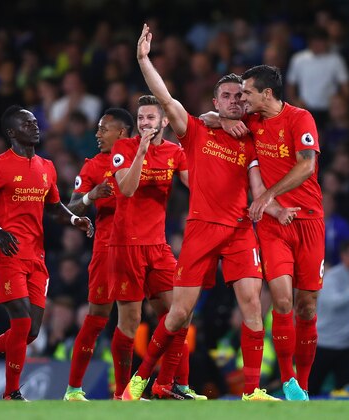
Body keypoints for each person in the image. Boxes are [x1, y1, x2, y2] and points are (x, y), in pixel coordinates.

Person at [123, 24, 295, 402]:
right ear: (215, 101)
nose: (235, 101)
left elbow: (257, 179)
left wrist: (271, 206)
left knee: (253, 304)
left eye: (239, 96)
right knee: (179, 315)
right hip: (201, 228)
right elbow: (166, 100)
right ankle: (140, 380)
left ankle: (252, 391)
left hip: (238, 231)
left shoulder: (252, 136)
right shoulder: (196, 129)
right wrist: (143, 59)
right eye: (227, 96)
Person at [202, 64, 324, 401]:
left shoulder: (300, 119)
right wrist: (226, 119)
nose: (242, 99)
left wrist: (268, 194)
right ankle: (289, 383)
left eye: (247, 93)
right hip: (273, 225)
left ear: (266, 94)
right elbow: (205, 117)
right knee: (282, 300)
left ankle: (305, 383)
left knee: (307, 308)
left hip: (309, 220)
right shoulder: (251, 122)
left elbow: (306, 165)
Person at [0, 105, 93, 401]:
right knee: (21, 322)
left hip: (36, 256)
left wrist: (74, 219)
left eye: (35, 122)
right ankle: (12, 393)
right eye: (27, 123)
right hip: (5, 252)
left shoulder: (46, 167)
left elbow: (55, 207)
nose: (35, 126)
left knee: (30, 331)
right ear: (12, 132)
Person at [107, 86, 198, 399]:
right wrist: (142, 153)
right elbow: (127, 189)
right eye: (141, 117)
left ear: (164, 123)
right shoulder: (123, 146)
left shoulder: (175, 153)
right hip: (125, 246)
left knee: (180, 314)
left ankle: (167, 384)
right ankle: (123, 393)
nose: (144, 122)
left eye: (150, 118)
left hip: (157, 246)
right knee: (130, 323)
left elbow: (196, 185)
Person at [62, 107, 135, 401]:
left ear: (122, 133)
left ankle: (123, 393)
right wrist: (91, 197)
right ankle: (73, 389)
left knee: (133, 319)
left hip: (137, 247)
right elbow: (71, 207)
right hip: (106, 249)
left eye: (104, 129)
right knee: (98, 316)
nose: (97, 134)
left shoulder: (140, 159)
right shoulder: (93, 166)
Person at [310, 238, 349, 395]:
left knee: (347, 392)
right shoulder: (332, 277)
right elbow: (332, 303)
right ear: (345, 256)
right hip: (324, 343)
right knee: (309, 388)